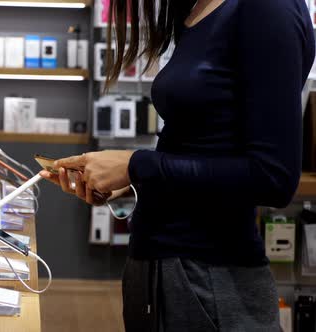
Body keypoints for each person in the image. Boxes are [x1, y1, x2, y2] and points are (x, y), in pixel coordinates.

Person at [40, 0, 315, 330]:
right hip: (161, 270)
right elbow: (205, 146)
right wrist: (128, 180)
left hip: (209, 282)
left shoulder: (267, 9)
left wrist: (137, 165)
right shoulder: (196, 9)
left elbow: (273, 178)